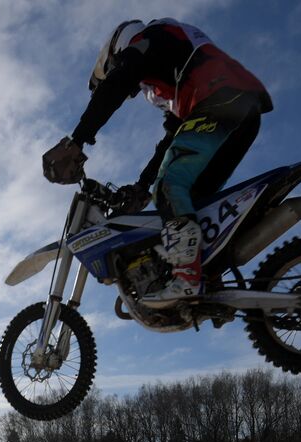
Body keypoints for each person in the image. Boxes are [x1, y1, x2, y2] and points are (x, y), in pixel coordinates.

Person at [42, 18, 272, 307]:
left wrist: (77, 139)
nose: (139, 88)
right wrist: (142, 185)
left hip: (221, 99)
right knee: (190, 200)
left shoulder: (150, 39)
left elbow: (117, 83)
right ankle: (209, 280)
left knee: (169, 186)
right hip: (241, 111)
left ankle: (188, 278)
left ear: (119, 47)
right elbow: (171, 140)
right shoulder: (176, 62)